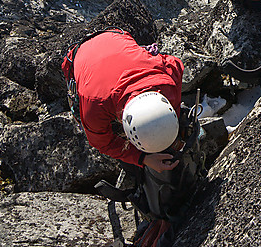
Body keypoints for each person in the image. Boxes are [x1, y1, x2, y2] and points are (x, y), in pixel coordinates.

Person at [61, 29, 199, 220]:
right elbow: (103, 143)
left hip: (116, 38)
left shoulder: (166, 80)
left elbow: (176, 64)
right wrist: (142, 158)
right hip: (82, 54)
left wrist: (172, 115)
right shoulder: (94, 107)